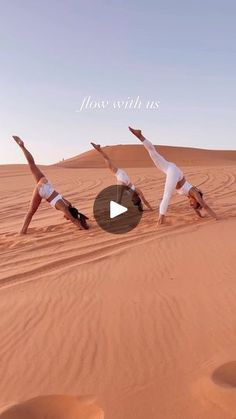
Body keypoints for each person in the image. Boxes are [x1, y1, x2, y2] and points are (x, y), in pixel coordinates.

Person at [129, 127, 218, 224]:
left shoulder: (190, 196)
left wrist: (200, 215)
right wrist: (217, 217)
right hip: (174, 172)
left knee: (153, 154)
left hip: (171, 169)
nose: (190, 204)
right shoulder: (195, 194)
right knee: (166, 195)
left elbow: (196, 208)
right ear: (197, 200)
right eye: (193, 204)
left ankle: (140, 136)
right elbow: (205, 206)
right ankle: (161, 219)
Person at [13, 136, 89, 234]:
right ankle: (22, 232)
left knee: (32, 164)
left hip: (46, 183)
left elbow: (74, 210)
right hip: (43, 190)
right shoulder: (65, 209)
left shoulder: (68, 204)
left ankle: (22, 146)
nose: (66, 218)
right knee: (31, 211)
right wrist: (80, 225)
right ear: (70, 214)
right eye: (67, 218)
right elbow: (74, 220)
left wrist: (79, 216)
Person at [90, 142, 153, 211]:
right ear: (137, 199)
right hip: (122, 177)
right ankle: (98, 149)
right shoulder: (137, 191)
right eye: (133, 201)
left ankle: (99, 149)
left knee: (108, 161)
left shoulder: (135, 192)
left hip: (122, 177)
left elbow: (143, 201)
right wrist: (151, 209)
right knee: (108, 161)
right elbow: (145, 201)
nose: (132, 200)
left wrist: (149, 208)